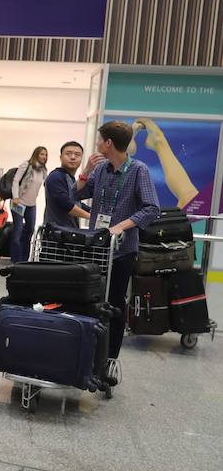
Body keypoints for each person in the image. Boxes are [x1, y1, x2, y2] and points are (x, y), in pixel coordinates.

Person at [76, 121, 160, 365]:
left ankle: (109, 357)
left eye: (100, 139)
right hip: (96, 248)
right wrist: (85, 172)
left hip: (122, 251)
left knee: (114, 304)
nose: (97, 144)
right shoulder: (101, 170)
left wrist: (121, 226)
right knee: (90, 299)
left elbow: (152, 209)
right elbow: (77, 194)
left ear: (108, 143)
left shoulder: (138, 171)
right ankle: (87, 352)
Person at [9, 147, 48, 263]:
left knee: (30, 230)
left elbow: (46, 185)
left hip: (31, 205)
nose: (44, 157)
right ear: (36, 154)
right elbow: (16, 180)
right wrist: (15, 196)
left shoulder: (43, 170)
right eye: (42, 154)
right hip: (19, 202)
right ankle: (15, 260)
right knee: (18, 231)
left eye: (46, 155)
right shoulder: (26, 165)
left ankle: (24, 260)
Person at [44, 141, 91, 229]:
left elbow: (75, 202)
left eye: (77, 154)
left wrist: (93, 211)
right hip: (56, 234)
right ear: (61, 157)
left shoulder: (70, 178)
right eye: (68, 154)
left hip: (69, 232)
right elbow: (66, 204)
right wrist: (91, 217)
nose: (73, 157)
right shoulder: (56, 176)